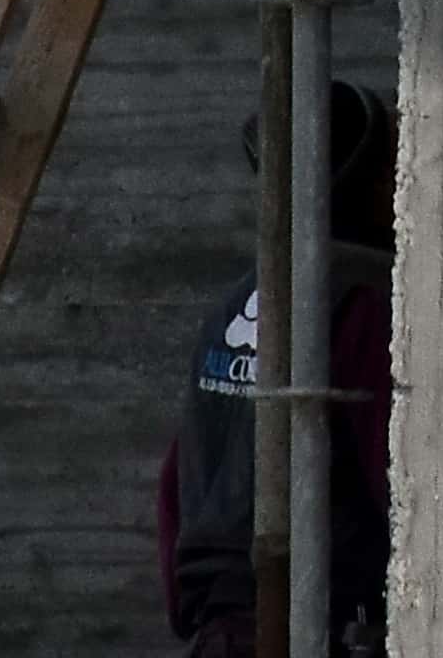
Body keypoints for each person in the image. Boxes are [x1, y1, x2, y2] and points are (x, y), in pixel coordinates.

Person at [161, 80, 396, 657]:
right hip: (311, 629)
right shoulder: (363, 303)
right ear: (367, 180)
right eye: (395, 165)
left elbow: (177, 482)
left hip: (221, 629)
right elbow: (398, 480)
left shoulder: (237, 301)